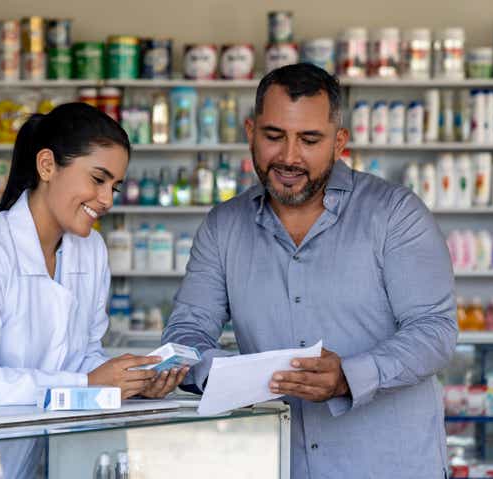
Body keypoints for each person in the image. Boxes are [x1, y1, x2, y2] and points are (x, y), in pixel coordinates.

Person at [162, 63, 457, 478]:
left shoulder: (394, 214)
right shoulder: (223, 226)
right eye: (273, 136)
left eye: (310, 139)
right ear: (250, 131)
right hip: (279, 463)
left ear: (339, 143)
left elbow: (434, 331)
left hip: (391, 466)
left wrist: (348, 378)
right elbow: (186, 331)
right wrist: (224, 374)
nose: (288, 157)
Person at [0, 102, 188, 412]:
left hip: (25, 436)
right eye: (98, 180)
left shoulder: (91, 250)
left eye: (115, 187)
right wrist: (89, 384)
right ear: (47, 165)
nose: (107, 200)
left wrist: (133, 382)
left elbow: (83, 357)